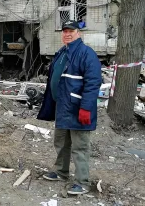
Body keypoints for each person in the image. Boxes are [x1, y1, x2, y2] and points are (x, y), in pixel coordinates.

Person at [37, 20, 101, 195]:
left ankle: (82, 182)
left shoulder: (86, 54)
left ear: (78, 33)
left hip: (77, 108)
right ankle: (61, 172)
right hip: (62, 107)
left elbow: (93, 82)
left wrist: (86, 108)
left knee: (80, 147)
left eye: (71, 31)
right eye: (64, 31)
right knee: (61, 142)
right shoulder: (62, 53)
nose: (67, 34)